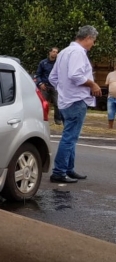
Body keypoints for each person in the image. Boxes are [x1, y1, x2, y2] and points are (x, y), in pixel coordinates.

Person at [48, 25, 102, 183]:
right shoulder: (78, 52)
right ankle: (59, 172)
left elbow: (53, 77)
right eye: (93, 41)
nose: (93, 44)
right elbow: (75, 75)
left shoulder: (64, 52)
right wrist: (93, 84)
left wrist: (63, 90)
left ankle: (68, 169)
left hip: (65, 100)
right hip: (76, 100)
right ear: (88, 38)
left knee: (70, 136)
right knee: (70, 137)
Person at [36, 47, 62, 125]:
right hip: (45, 86)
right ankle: (43, 119)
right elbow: (38, 75)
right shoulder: (43, 63)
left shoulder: (59, 63)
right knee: (43, 104)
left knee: (57, 104)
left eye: (56, 52)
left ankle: (58, 119)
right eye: (53, 51)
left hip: (55, 87)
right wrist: (40, 83)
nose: (55, 53)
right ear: (50, 52)